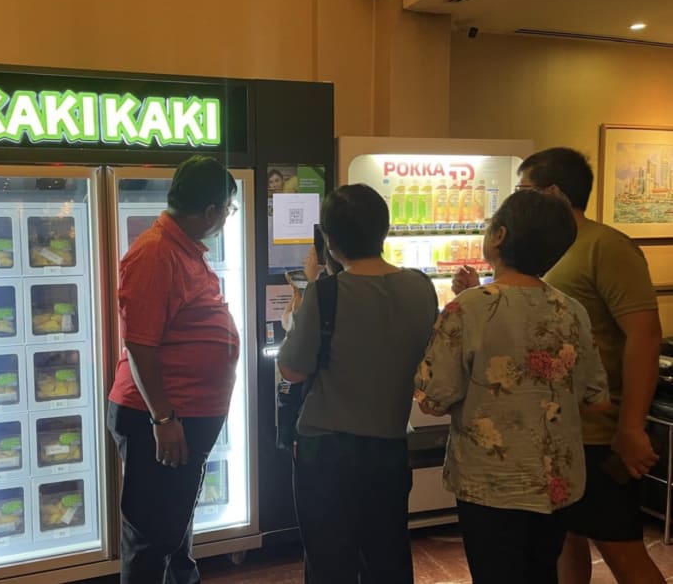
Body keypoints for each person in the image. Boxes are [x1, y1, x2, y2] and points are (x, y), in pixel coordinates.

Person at [453, 148, 664, 584]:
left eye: (523, 189)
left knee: (620, 545)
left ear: (552, 192)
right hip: (553, 435)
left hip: (596, 430)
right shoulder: (547, 248)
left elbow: (645, 334)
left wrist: (631, 427)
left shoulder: (606, 247)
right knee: (565, 544)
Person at [416, 190, 610, 584]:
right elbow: (595, 398)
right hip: (557, 479)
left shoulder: (467, 308)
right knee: (541, 572)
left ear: (500, 236)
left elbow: (432, 400)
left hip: (490, 482)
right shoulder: (571, 309)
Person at [277, 184, 438, 584]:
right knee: (387, 556)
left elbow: (292, 370)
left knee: (330, 561)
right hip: (390, 446)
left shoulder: (324, 292)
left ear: (330, 241)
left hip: (326, 452)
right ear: (383, 230)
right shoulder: (421, 287)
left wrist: (305, 296)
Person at [107, 155, 240, 584]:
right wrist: (163, 418)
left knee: (173, 526)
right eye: (228, 210)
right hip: (162, 419)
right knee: (151, 535)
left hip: (182, 417)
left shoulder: (183, 249)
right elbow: (140, 343)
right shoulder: (155, 253)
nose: (226, 219)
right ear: (210, 211)